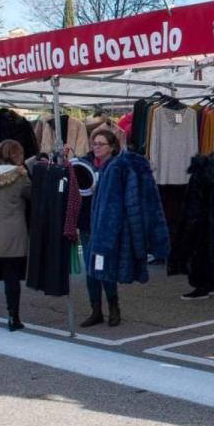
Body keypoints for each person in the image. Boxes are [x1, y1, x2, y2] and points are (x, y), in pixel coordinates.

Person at [0, 140, 31, 331]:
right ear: (16, 154)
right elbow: (33, 196)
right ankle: (13, 318)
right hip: (11, 235)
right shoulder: (20, 177)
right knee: (12, 279)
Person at [77, 129, 123, 327]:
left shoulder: (118, 167)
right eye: (94, 143)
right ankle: (96, 310)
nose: (96, 147)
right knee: (90, 270)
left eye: (100, 144)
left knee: (104, 268)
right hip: (87, 223)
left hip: (107, 226)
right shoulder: (83, 164)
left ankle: (114, 307)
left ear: (111, 147)